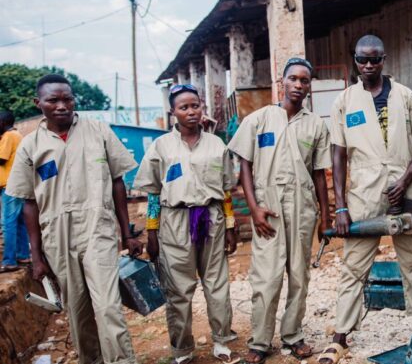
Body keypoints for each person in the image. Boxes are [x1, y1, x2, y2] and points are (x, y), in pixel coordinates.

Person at [6, 74, 140, 364]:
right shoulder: (31, 145)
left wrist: (126, 233)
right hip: (57, 236)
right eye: (53, 100)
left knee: (108, 306)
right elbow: (28, 202)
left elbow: (118, 182)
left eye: (67, 98)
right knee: (77, 310)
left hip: (98, 229)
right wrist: (36, 254)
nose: (62, 105)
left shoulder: (98, 131)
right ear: (38, 103)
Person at [319, 35, 412, 364]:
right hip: (364, 194)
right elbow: (338, 156)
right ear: (354, 60)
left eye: (375, 60)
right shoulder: (345, 101)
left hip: (405, 191)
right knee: (354, 266)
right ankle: (340, 335)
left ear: (384, 60)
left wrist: (406, 180)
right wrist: (340, 206)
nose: (368, 66)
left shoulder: (404, 96)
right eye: (362, 60)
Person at [227, 58, 331, 364]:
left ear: (310, 86)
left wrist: (325, 216)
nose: (299, 85)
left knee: (299, 275)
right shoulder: (258, 120)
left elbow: (319, 174)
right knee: (267, 276)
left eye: (305, 80)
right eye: (293, 79)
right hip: (268, 207)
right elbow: (244, 165)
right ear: (281, 81)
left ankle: (293, 336)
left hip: (302, 206)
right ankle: (260, 341)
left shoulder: (315, 124)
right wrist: (254, 209)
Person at [134, 84, 239, 364]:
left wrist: (230, 225)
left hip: (211, 218)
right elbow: (153, 192)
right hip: (174, 221)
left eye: (195, 105)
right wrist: (152, 232)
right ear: (173, 113)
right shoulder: (161, 147)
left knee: (217, 284)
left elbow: (226, 189)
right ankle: (182, 349)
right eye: (184, 107)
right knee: (178, 289)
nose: (191, 111)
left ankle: (222, 339)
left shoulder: (217, 145)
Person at [0, 110, 30, 273]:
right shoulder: (17, 135)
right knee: (19, 222)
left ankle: (9, 261)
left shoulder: (8, 136)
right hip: (16, 185)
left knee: (8, 223)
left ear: (3, 122)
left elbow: (1, 158)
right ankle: (23, 254)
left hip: (9, 187)